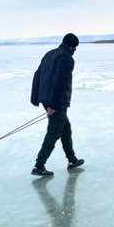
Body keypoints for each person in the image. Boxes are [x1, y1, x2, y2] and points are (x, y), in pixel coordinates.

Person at [30, 33, 84, 177]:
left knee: (65, 129)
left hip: (47, 99)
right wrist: (53, 105)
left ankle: (72, 160)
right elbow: (60, 82)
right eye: (75, 48)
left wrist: (36, 98)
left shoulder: (50, 54)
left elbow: (37, 75)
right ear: (72, 47)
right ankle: (39, 165)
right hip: (57, 101)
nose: (75, 51)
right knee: (54, 132)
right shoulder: (67, 59)